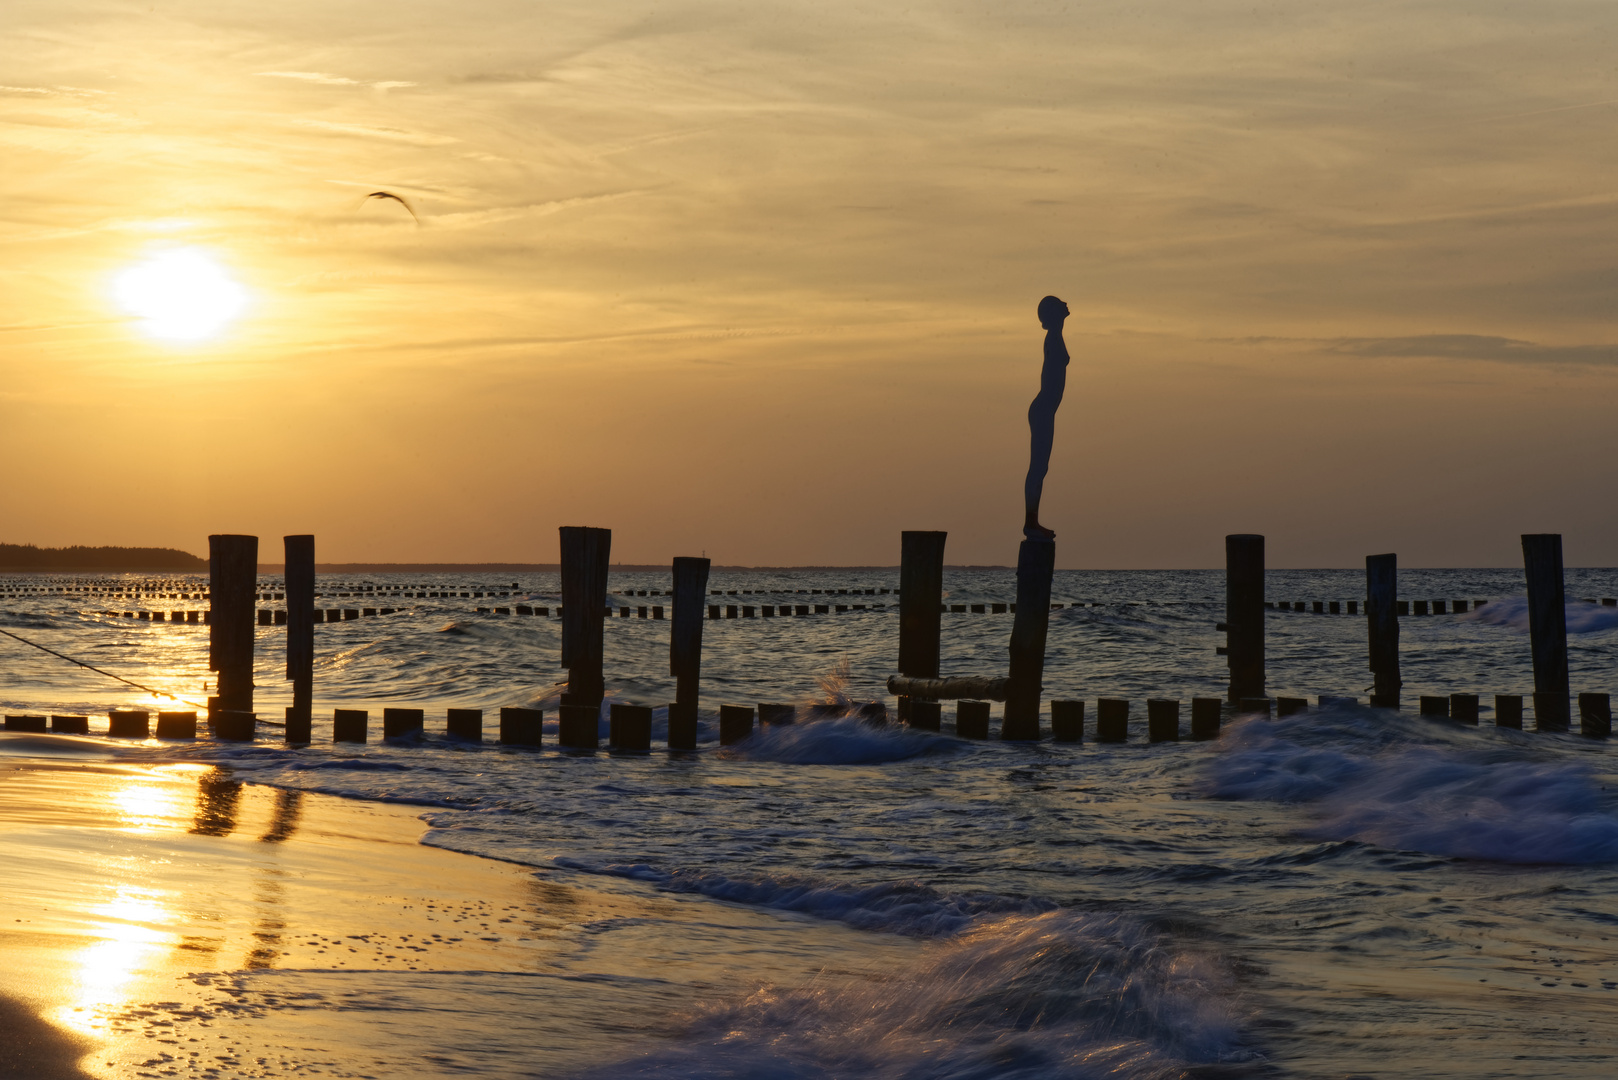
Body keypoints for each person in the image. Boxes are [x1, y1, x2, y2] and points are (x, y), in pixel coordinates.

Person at [1024, 295, 1069, 540]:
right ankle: (1030, 522)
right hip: (1042, 409)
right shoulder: (1052, 336)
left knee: (1042, 467)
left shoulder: (1056, 335)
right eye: (1059, 302)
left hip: (1046, 410)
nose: (1065, 303)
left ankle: (1033, 520)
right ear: (1052, 312)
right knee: (1037, 467)